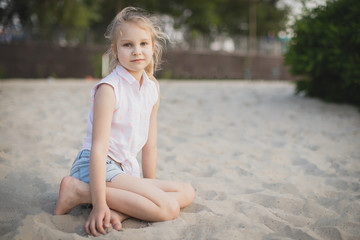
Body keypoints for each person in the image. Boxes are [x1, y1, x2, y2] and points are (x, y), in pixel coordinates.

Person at [54, 7, 195, 237]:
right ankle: (79, 192)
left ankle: (120, 210)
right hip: (96, 169)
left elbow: (150, 145)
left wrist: (148, 191)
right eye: (127, 45)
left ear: (152, 47)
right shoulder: (110, 90)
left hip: (124, 171)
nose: (137, 51)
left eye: (143, 44)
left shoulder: (152, 89)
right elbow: (98, 150)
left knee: (187, 192)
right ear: (115, 50)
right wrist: (99, 205)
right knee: (168, 207)